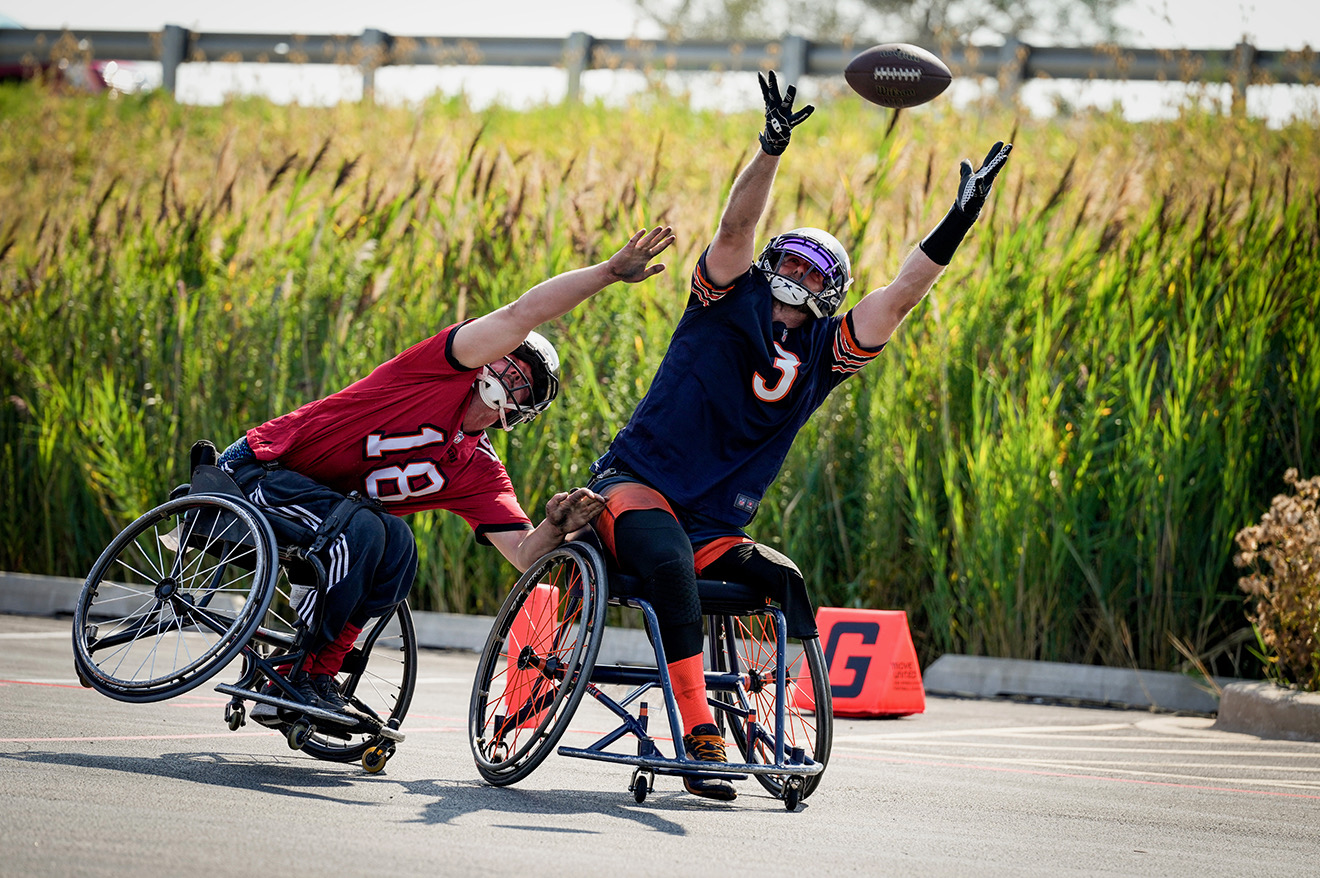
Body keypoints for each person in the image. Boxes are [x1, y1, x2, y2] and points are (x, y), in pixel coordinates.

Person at [587, 71, 1012, 800]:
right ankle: (700, 733)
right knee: (669, 565)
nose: (787, 271)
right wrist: (770, 148)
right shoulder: (726, 296)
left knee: (784, 579)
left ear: (829, 290)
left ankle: (764, 713)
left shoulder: (826, 350)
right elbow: (734, 229)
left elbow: (902, 295)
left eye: (806, 268)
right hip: (639, 486)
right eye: (783, 259)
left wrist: (959, 219)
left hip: (715, 519)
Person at [214, 225, 675, 725]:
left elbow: (523, 555)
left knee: (399, 544)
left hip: (327, 518)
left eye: (523, 382)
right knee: (367, 526)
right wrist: (607, 273)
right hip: (261, 470)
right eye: (507, 363)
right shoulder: (437, 370)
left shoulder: (477, 468)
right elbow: (524, 313)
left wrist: (556, 525)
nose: (507, 377)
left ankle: (316, 674)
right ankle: (294, 670)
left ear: (525, 409)